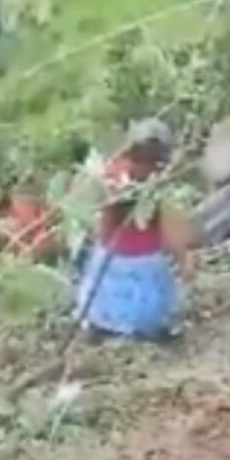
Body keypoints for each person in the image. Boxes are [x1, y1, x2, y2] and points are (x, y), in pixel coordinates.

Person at [75, 118, 190, 340]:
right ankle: (141, 328)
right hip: (141, 263)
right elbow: (170, 231)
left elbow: (99, 222)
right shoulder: (154, 184)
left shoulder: (111, 172)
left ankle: (105, 326)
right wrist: (183, 259)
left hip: (109, 259)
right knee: (149, 309)